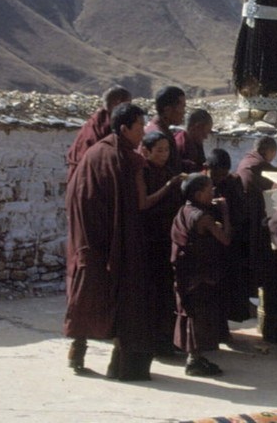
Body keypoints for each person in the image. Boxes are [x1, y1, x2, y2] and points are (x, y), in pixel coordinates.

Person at [63, 102, 154, 380]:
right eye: (139, 128)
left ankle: (77, 351)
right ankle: (118, 361)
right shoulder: (126, 159)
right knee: (124, 295)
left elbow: (75, 194)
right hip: (114, 237)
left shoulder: (94, 153)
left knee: (86, 292)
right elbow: (139, 203)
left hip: (88, 238)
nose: (143, 133)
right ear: (125, 128)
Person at [236, 136, 277, 344]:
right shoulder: (257, 166)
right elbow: (272, 184)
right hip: (257, 228)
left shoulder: (247, 162)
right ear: (268, 151)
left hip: (248, 225)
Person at [171, 173, 231, 376]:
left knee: (194, 313)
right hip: (198, 273)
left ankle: (196, 357)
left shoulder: (184, 210)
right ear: (197, 194)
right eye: (209, 190)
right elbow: (225, 239)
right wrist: (224, 211)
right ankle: (193, 360)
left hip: (188, 271)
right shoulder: (202, 217)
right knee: (197, 315)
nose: (213, 192)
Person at [136, 131, 188, 359]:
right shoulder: (143, 171)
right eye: (159, 150)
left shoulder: (167, 171)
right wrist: (169, 186)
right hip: (150, 238)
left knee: (166, 291)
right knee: (152, 293)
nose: (164, 155)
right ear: (146, 151)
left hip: (166, 238)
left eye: (167, 150)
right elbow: (144, 203)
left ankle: (165, 340)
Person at [206, 147, 253, 323]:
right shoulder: (200, 181)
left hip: (229, 243)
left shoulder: (233, 183)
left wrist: (224, 210)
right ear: (207, 167)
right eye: (216, 175)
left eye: (223, 175)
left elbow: (240, 212)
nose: (219, 179)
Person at [65, 86, 132, 183]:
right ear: (118, 103)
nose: (129, 110)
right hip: (89, 180)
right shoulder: (105, 126)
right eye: (128, 104)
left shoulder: (94, 122)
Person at [146, 85, 187, 155]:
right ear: (167, 110)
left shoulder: (151, 127)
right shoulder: (160, 137)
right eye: (182, 107)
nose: (184, 112)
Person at [174, 108, 213, 172]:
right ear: (197, 127)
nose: (206, 137)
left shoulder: (196, 142)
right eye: (205, 132)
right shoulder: (180, 145)